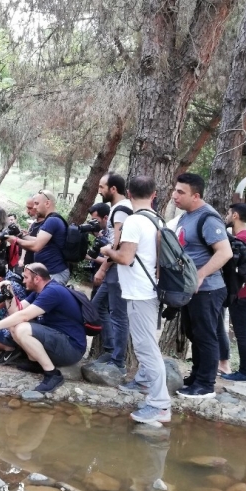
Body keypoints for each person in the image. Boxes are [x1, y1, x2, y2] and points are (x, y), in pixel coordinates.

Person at [101, 176, 171, 424]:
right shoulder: (158, 220)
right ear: (153, 194)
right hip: (151, 290)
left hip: (139, 293)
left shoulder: (134, 221)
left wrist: (107, 250)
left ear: (128, 193)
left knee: (146, 348)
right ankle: (143, 383)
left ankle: (160, 405)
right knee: (147, 343)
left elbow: (126, 257)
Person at [0, 262, 86, 393]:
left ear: (37, 278)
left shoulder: (53, 291)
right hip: (57, 340)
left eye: (25, 277)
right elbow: (16, 312)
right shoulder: (39, 291)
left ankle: (52, 374)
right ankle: (36, 363)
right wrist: (9, 293)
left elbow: (24, 316)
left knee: (22, 329)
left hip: (71, 348)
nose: (23, 281)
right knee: (15, 325)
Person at [173, 173, 233, 399]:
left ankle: (206, 385)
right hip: (191, 289)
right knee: (194, 333)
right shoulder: (186, 216)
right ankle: (197, 376)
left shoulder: (208, 218)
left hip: (208, 289)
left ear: (196, 196)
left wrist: (200, 275)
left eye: (181, 192)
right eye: (175, 190)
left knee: (206, 335)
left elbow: (224, 252)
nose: (174, 195)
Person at [90, 173, 133, 374]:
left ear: (113, 189)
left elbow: (118, 244)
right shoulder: (118, 208)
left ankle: (118, 361)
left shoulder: (122, 209)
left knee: (119, 316)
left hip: (117, 269)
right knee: (97, 307)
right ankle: (109, 349)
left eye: (101, 186)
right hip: (113, 269)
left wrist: (102, 267)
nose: (99, 190)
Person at [219, 203, 246, 382]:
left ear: (235, 215)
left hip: (243, 292)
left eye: (229, 213)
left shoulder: (242, 238)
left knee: (242, 333)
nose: (227, 216)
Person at [10, 190, 69, 284]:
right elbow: (37, 240)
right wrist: (20, 235)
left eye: (37, 203)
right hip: (48, 273)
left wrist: (15, 240)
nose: (34, 207)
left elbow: (36, 246)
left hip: (55, 273)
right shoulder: (50, 220)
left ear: (47, 203)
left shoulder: (52, 220)